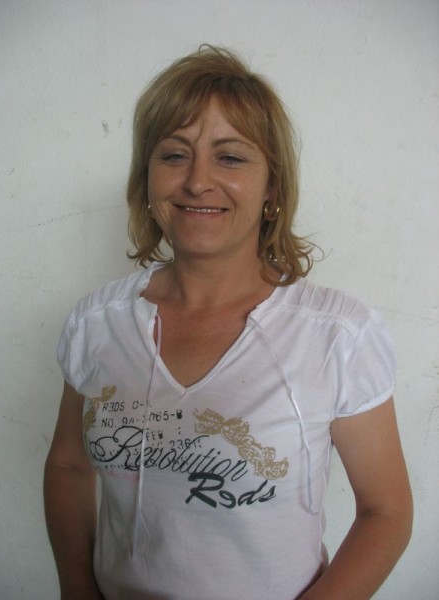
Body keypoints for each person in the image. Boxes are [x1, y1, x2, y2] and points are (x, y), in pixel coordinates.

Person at [44, 46, 412, 600]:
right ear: (147, 178)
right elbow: (70, 466)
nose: (197, 182)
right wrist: (76, 588)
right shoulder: (96, 324)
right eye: (174, 155)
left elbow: (386, 511)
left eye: (231, 158)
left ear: (272, 188)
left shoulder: (338, 335)